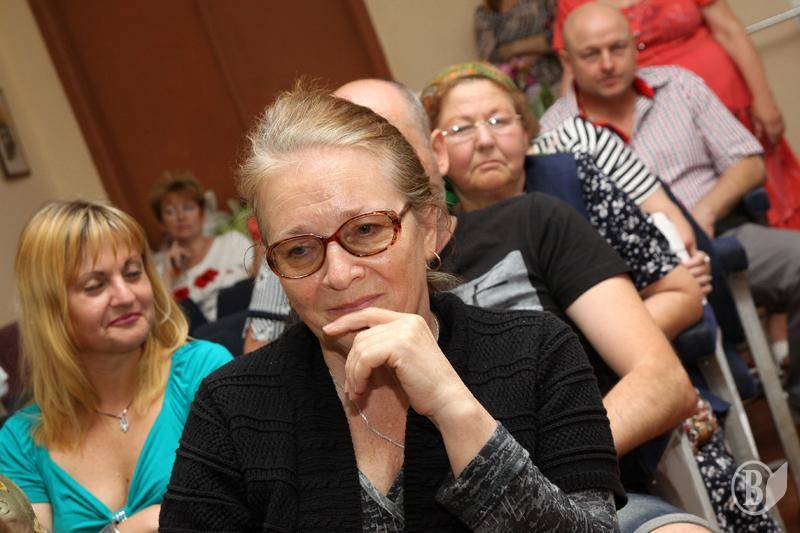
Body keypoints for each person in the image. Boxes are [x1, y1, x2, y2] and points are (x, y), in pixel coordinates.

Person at [240, 78, 706, 532]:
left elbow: (662, 380)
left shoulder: (533, 226)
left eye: (381, 137)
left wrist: (522, 456)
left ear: (434, 154)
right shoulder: (310, 269)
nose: (341, 272)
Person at [160, 87, 627, 531]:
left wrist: (453, 406)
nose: (339, 274)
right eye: (299, 250)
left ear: (429, 227)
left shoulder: (537, 351)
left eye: (366, 230)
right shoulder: (232, 406)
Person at [543, 0, 800, 413]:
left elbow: (749, 164)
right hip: (637, 280)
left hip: (723, 235)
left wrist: (705, 213)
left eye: (617, 48)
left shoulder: (680, 85)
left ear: (634, 45)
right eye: (591, 54)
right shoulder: (554, 134)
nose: (607, 64)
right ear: (567, 60)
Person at [421, 61, 704, 340]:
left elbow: (680, 292)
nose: (485, 140)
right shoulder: (437, 234)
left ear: (525, 132)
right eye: (461, 129)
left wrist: (597, 353)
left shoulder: (574, 179)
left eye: (499, 121)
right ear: (437, 150)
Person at [0, 201, 233, 532]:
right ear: (51, 310)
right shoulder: (20, 441)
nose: (125, 296)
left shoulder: (202, 372)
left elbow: (252, 509)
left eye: (133, 273)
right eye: (95, 285)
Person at [552, 0, 800, 231]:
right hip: (648, 116)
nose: (606, 61)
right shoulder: (572, 3)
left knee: (760, 196)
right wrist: (569, 126)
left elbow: (729, 30)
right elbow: (575, 67)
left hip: (722, 101)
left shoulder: (685, 84)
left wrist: (763, 97)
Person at [149, 171, 256, 322]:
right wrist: (168, 275)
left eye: (188, 207)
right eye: (170, 211)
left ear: (202, 213)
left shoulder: (232, 242)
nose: (181, 217)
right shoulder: (162, 270)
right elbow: (162, 320)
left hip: (244, 320)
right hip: (198, 333)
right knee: (185, 309)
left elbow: (261, 281)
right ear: (162, 223)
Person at [474, 0, 562, 115]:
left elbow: (558, 37)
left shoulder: (544, 3)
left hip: (551, 79)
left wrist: (514, 48)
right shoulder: (485, 12)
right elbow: (490, 54)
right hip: (510, 88)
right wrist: (536, 45)